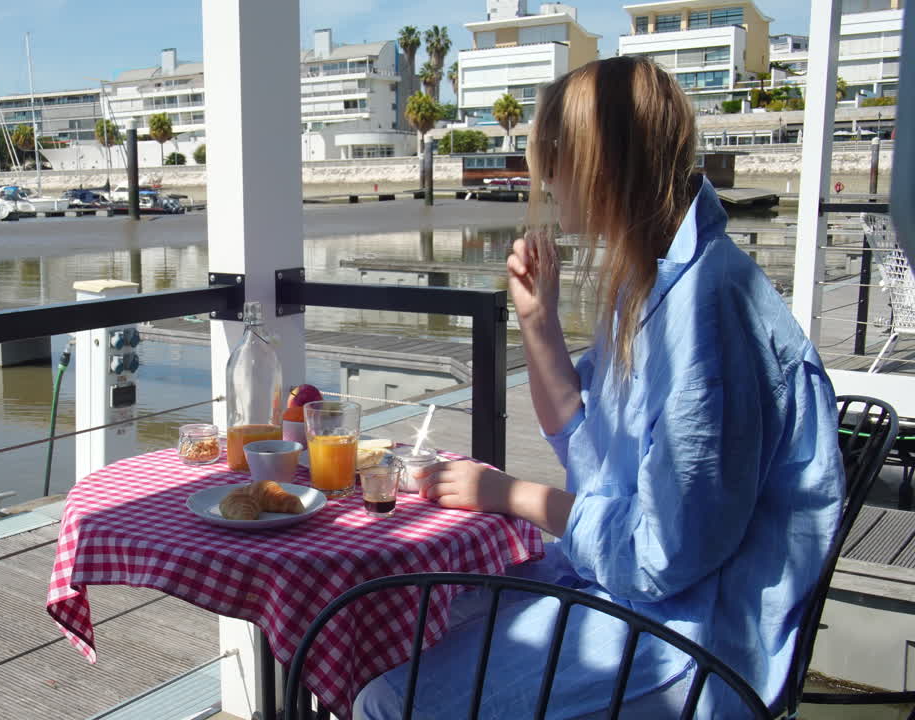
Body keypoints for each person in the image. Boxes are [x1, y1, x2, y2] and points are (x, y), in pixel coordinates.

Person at [354, 56, 843, 719]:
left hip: (691, 642)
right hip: (631, 594)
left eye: (554, 157)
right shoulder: (654, 282)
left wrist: (505, 494)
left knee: (390, 698)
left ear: (600, 164)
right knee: (396, 630)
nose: (546, 178)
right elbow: (593, 456)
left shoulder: (707, 312)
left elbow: (661, 557)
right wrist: (538, 321)